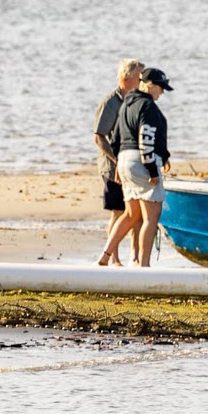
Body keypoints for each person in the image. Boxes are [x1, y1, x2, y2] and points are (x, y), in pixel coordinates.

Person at [97, 68, 174, 267]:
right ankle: (144, 265)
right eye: (161, 88)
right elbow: (145, 136)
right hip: (142, 161)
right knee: (151, 216)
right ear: (149, 85)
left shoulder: (126, 103)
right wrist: (151, 168)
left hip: (123, 160)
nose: (162, 93)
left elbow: (115, 138)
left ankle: (105, 256)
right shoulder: (147, 106)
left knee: (131, 214)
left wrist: (118, 168)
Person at [92, 59, 146, 262]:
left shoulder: (137, 101)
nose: (143, 81)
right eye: (139, 77)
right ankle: (113, 257)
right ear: (127, 78)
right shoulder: (110, 102)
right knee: (118, 212)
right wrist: (118, 160)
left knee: (136, 213)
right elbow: (99, 136)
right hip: (112, 166)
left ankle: (135, 256)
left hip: (133, 166)